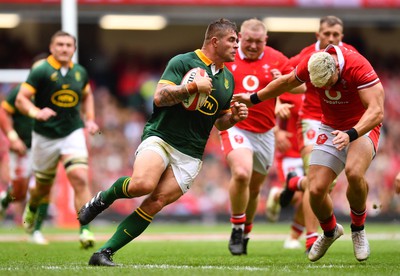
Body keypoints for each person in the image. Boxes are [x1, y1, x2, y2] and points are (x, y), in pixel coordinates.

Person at [77, 18, 248, 266]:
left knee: (155, 203)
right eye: (232, 40)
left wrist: (233, 117)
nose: (236, 45)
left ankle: (103, 253)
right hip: (162, 137)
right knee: (141, 185)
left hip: (191, 153)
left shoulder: (228, 80)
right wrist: (190, 88)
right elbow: (159, 98)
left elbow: (218, 121)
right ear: (215, 41)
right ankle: (103, 199)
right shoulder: (183, 62)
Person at [232, 44, 384, 262]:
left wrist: (351, 133)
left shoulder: (357, 66)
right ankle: (330, 231)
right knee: (315, 189)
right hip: (330, 125)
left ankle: (358, 230)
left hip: (362, 125)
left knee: (353, 172)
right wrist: (254, 98)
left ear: (336, 71)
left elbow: (377, 111)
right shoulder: (311, 63)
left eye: (329, 83)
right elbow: (285, 82)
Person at [219, 18, 305, 256]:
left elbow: (302, 87)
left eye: (258, 42)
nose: (253, 46)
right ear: (239, 38)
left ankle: (246, 232)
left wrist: (283, 83)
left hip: (265, 132)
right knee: (241, 173)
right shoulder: (228, 57)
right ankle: (237, 227)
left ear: (265, 40)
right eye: (248, 41)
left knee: (255, 189)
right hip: (235, 126)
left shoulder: (278, 59)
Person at [279, 15, 359, 253]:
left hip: (342, 121)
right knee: (317, 180)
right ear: (318, 35)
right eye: (327, 34)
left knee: (326, 184)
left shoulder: (350, 54)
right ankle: (311, 237)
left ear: (341, 36)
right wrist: (277, 108)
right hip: (312, 120)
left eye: (336, 35)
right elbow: (282, 78)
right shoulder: (304, 56)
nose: (331, 38)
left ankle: (294, 182)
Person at [15, 30, 99, 249]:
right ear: (52, 47)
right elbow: (21, 100)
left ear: (74, 49)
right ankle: (32, 207)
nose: (64, 48)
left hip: (72, 132)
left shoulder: (80, 72)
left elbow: (87, 95)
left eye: (68, 45)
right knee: (42, 188)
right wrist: (36, 112)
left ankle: (85, 230)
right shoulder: (41, 70)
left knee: (80, 177)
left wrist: (90, 119)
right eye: (59, 44)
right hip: (45, 136)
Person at [266, 92, 305, 249]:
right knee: (297, 195)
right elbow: (266, 105)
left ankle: (294, 236)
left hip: (314, 151)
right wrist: (276, 131)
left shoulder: (321, 92)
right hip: (290, 152)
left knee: (314, 194)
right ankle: (277, 195)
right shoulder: (290, 89)